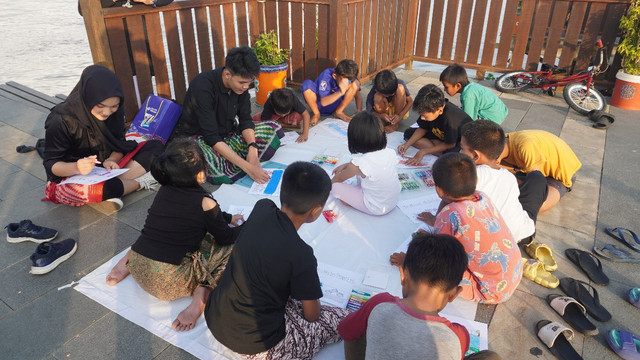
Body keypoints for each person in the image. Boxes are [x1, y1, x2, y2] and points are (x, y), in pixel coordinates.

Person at [204, 161, 349, 359]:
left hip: (216, 318)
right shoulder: (301, 254)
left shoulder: (262, 207)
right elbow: (312, 315)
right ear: (316, 211)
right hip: (255, 344)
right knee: (343, 318)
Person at [105, 137, 244, 332]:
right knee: (233, 248)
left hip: (138, 264)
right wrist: (249, 225)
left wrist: (227, 217)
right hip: (167, 282)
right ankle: (200, 299)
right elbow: (226, 238)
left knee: (164, 231)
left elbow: (202, 216)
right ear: (200, 175)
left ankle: (125, 261)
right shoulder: (205, 202)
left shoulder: (164, 190)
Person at [392, 153, 522, 304]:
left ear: (440, 191)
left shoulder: (450, 214)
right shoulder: (482, 197)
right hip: (513, 274)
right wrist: (436, 221)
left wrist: (407, 262)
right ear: (476, 181)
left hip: (489, 290)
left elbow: (435, 259)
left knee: (435, 273)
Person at [43, 65, 164, 211]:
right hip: (70, 177)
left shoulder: (116, 111)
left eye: (114, 106)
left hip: (104, 169)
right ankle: (139, 182)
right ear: (88, 96)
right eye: (100, 105)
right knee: (93, 190)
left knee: (155, 146)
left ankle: (115, 188)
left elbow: (119, 143)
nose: (107, 112)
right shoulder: (61, 119)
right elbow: (51, 164)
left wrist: (111, 159)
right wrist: (76, 167)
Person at [339, 232, 470, 360]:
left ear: (403, 275)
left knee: (358, 325)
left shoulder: (379, 303)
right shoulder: (458, 336)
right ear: (454, 294)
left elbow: (345, 330)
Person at [171, 46, 283, 185]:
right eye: (242, 83)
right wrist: (249, 168)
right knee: (198, 157)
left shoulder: (241, 88)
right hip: (200, 138)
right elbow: (211, 136)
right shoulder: (202, 87)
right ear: (227, 74)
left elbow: (245, 120)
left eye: (249, 83)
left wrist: (252, 149)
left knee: (272, 127)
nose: (245, 87)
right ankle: (236, 160)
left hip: (227, 134)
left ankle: (237, 157)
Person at [460, 120, 538, 243]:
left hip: (486, 242)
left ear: (475, 156)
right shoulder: (510, 177)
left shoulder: (470, 177)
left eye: (462, 149)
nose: (460, 152)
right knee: (537, 178)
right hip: (519, 237)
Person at [331, 112, 401, 215]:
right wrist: (346, 165)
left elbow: (338, 179)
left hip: (376, 207)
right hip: (392, 201)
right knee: (363, 173)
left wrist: (326, 184)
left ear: (355, 139)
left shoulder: (360, 164)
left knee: (335, 188)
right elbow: (366, 164)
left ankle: (356, 202)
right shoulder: (390, 152)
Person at [499, 129, 581, 213]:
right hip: (531, 167)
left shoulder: (526, 146)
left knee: (533, 205)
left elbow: (536, 186)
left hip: (560, 172)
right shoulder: (501, 142)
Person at [398, 84, 472, 165]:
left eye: (424, 116)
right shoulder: (430, 109)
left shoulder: (450, 118)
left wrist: (423, 151)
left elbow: (451, 144)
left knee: (453, 157)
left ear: (439, 110)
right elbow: (423, 128)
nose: (422, 118)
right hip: (441, 135)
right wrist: (406, 145)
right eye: (421, 115)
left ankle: (438, 149)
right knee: (408, 134)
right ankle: (438, 148)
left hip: (459, 141)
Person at [440, 64, 508, 124]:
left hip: (492, 118)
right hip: (500, 111)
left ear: (458, 86)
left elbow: (468, 119)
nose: (444, 89)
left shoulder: (468, 96)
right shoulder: (471, 86)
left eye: (446, 87)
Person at [301, 59, 362, 124]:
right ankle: (316, 114)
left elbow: (358, 95)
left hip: (336, 105)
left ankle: (338, 112)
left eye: (350, 81)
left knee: (355, 84)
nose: (347, 83)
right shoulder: (326, 76)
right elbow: (323, 102)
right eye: (345, 81)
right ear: (335, 76)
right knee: (306, 84)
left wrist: (359, 112)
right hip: (319, 104)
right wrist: (341, 92)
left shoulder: (350, 77)